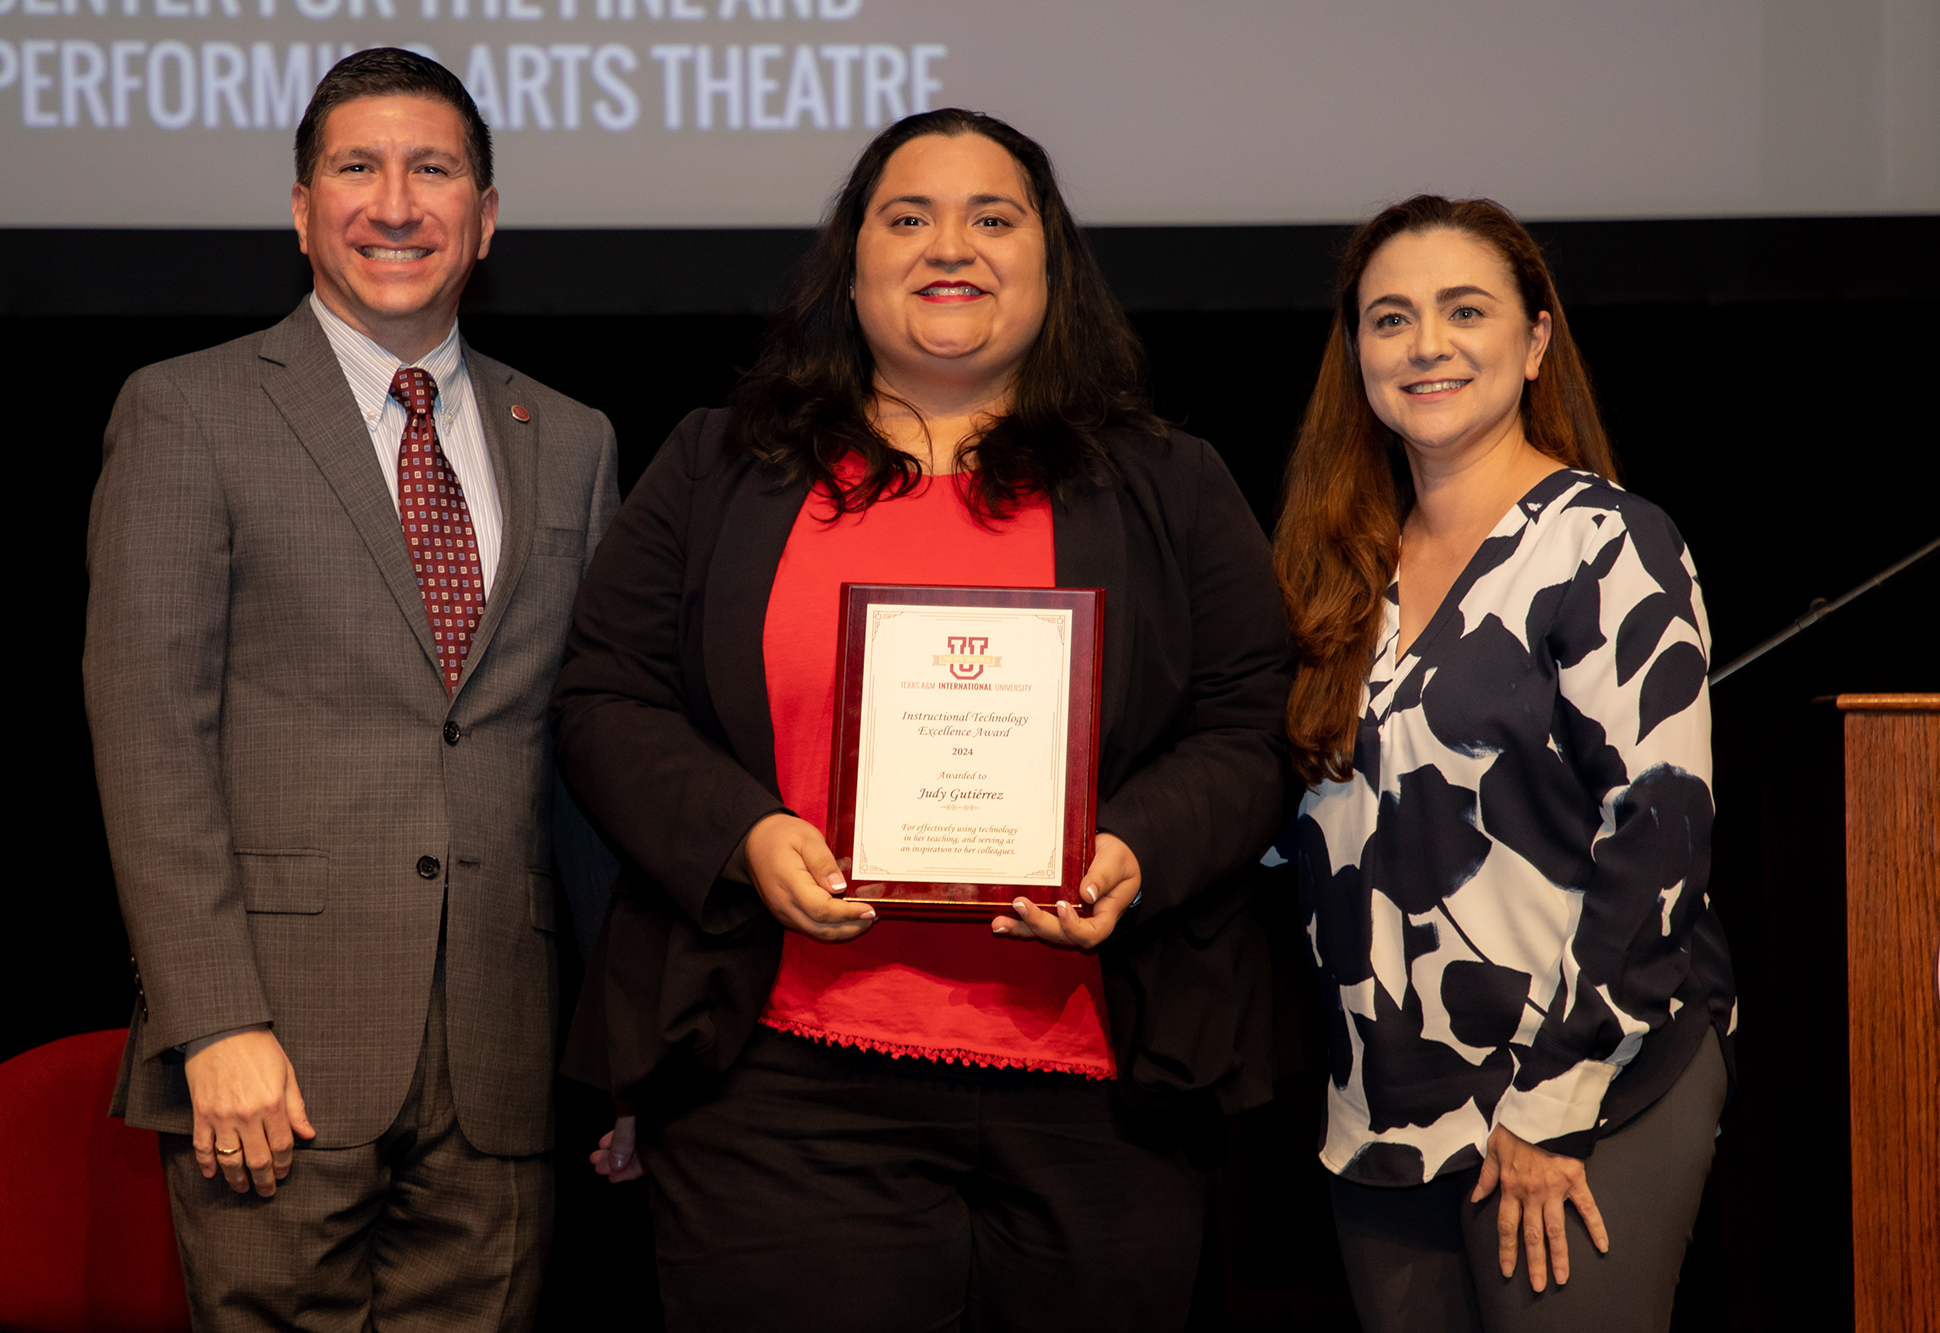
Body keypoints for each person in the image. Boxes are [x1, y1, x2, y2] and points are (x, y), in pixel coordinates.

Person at [554, 108, 1295, 1331]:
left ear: (1050, 268)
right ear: (852, 265)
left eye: (991, 218)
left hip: (1100, 1094)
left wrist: (1134, 849)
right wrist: (743, 834)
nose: (949, 245)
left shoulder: (1168, 481)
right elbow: (603, 695)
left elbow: (1250, 721)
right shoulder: (717, 468)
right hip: (779, 1085)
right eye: (908, 217)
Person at [85, 47, 619, 1331]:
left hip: (505, 1056)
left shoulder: (577, 438)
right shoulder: (187, 411)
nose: (396, 203)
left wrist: (617, 1047)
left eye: (433, 169)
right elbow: (150, 735)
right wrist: (213, 1022)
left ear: (485, 219)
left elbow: (592, 759)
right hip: (272, 1058)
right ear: (300, 208)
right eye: (357, 168)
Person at [1267, 195, 1737, 1332]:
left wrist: (1548, 1104)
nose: (1424, 343)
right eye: (1389, 319)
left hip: (1584, 1092)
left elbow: (1659, 834)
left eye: (1461, 310)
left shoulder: (1606, 543)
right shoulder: (1333, 573)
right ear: (1356, 357)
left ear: (1532, 343)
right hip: (1380, 1114)